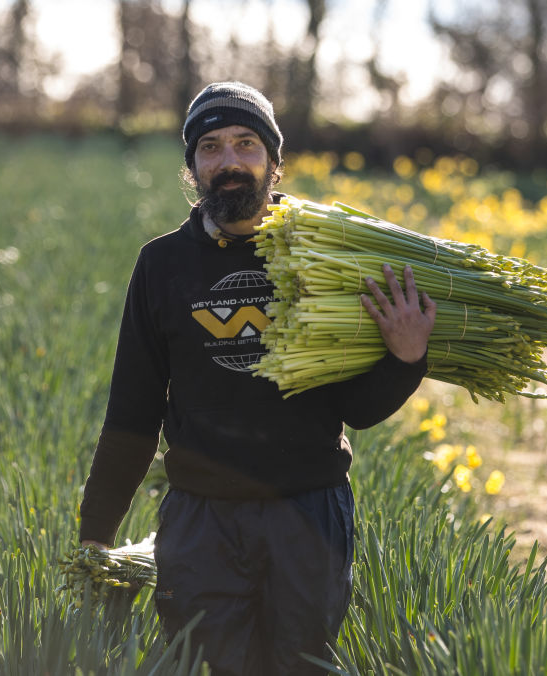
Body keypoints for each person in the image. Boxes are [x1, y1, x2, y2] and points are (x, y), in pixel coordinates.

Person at [78, 81, 436, 675]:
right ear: (191, 166)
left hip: (308, 516)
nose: (230, 162)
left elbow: (358, 408)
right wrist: (97, 531)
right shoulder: (161, 264)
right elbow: (133, 411)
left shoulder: (325, 257)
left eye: (246, 144)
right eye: (211, 147)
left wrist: (405, 359)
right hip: (200, 522)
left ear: (275, 160)